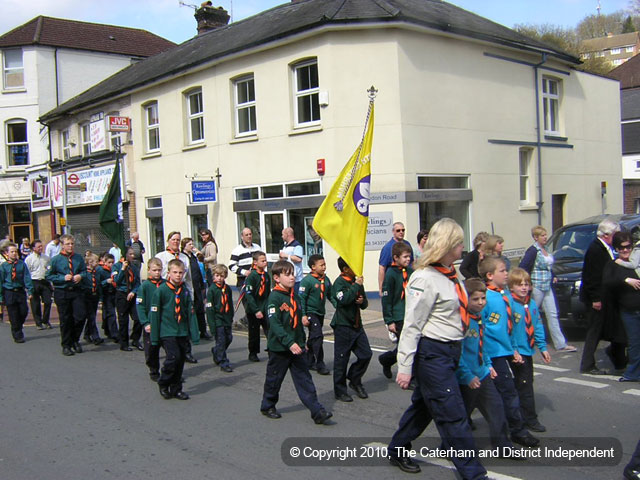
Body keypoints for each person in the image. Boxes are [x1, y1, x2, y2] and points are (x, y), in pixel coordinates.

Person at [388, 218, 487, 478]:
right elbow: (412, 325)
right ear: (446, 245)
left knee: (424, 408)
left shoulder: (452, 275)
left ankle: (397, 448)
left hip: (451, 351)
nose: (463, 249)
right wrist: (405, 367)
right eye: (459, 244)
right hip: (433, 354)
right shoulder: (424, 278)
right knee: (453, 415)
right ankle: (474, 474)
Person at [259, 260, 332, 425]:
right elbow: (275, 324)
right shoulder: (274, 297)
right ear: (277, 278)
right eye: (287, 274)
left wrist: (301, 341)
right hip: (280, 348)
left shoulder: (294, 295)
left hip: (297, 346)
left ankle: (317, 411)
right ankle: (268, 405)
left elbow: (297, 321)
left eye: (293, 273)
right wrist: (289, 342)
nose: (292, 277)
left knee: (304, 379)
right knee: (274, 379)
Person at [478, 255, 539, 448]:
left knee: (503, 393)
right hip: (493, 353)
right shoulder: (485, 298)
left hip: (505, 350)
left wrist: (514, 349)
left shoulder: (504, 295)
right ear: (490, 275)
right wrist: (486, 360)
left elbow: (509, 326)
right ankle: (516, 431)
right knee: (506, 394)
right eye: (502, 270)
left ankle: (512, 431)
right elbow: (483, 331)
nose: (506, 273)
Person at [456, 278, 513, 450]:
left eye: (483, 298)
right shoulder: (462, 321)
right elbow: (458, 353)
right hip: (467, 378)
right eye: (476, 299)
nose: (481, 303)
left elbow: (483, 344)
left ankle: (503, 446)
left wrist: (488, 364)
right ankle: (450, 446)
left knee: (496, 407)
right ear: (466, 299)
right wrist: (467, 376)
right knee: (461, 416)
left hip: (482, 373)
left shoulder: (479, 317)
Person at [519, 225, 576, 353]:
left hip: (547, 286)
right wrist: (527, 283)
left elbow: (549, 267)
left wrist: (553, 276)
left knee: (553, 314)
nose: (545, 237)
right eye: (542, 235)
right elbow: (523, 267)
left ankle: (560, 344)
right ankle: (523, 341)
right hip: (537, 286)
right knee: (532, 313)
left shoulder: (546, 249)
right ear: (535, 237)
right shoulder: (532, 251)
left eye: (545, 235)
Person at [579, 218, 625, 375]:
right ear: (607, 235)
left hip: (608, 297)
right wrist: (595, 299)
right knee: (595, 331)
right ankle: (587, 364)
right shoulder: (595, 249)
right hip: (597, 299)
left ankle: (618, 359)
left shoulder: (606, 248)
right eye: (615, 234)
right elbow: (591, 277)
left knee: (614, 327)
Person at [508, 268, 551, 432]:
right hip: (516, 352)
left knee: (524, 384)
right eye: (519, 285)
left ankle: (519, 414)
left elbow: (537, 325)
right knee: (524, 386)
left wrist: (543, 347)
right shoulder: (510, 304)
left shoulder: (531, 304)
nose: (524, 288)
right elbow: (508, 329)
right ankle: (529, 419)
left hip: (528, 350)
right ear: (511, 287)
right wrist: (514, 350)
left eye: (526, 284)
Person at [150, 259, 200, 400]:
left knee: (180, 360)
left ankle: (176, 388)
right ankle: (164, 382)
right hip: (167, 331)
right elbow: (155, 314)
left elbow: (190, 313)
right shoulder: (161, 291)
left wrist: (194, 333)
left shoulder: (184, 291)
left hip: (182, 330)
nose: (178, 275)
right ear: (169, 273)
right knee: (173, 357)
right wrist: (154, 336)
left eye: (181, 272)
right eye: (175, 272)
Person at [331, 257, 371, 402]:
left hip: (356, 325)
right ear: (345, 269)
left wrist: (362, 302)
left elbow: (365, 303)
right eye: (352, 266)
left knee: (366, 354)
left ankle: (354, 379)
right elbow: (343, 300)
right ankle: (340, 390)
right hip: (343, 325)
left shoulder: (356, 281)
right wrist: (356, 286)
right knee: (341, 360)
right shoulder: (339, 283)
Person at [603, 231, 639, 382]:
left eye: (628, 247)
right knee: (635, 343)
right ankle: (632, 373)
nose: (625, 250)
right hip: (628, 311)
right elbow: (607, 282)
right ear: (616, 249)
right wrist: (626, 280)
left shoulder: (636, 261)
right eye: (621, 248)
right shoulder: (613, 264)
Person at [46, 234, 86, 356]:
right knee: (65, 319)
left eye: (72, 244)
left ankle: (75, 339)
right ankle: (66, 344)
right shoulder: (56, 259)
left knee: (80, 316)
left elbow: (84, 271)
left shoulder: (78, 258)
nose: (70, 246)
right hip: (62, 291)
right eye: (68, 244)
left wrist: (81, 276)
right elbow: (48, 275)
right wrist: (62, 278)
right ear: (62, 245)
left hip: (76, 290)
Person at [379, 242, 413, 380]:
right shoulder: (391, 274)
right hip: (398, 316)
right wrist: (389, 321)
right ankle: (410, 377)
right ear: (396, 257)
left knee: (408, 347)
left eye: (409, 256)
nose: (408, 259)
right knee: (405, 347)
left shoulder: (411, 272)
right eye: (405, 257)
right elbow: (387, 300)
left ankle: (387, 360)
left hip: (410, 314)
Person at [300, 254, 335, 375]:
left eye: (325, 264)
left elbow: (331, 295)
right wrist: (303, 315)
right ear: (313, 267)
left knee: (313, 337)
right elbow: (302, 299)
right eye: (322, 265)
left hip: (320, 313)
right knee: (318, 336)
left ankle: (308, 359)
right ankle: (320, 363)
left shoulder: (326, 280)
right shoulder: (307, 281)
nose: (324, 267)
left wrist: (339, 307)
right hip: (311, 312)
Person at [136, 258, 164, 382]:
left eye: (159, 270)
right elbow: (140, 306)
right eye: (154, 270)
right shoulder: (145, 286)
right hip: (151, 323)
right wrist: (145, 323)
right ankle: (154, 370)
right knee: (152, 349)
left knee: (171, 349)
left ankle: (170, 372)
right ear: (148, 271)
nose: (157, 273)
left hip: (164, 323)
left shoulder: (165, 284)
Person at [0, 243, 33, 343]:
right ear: (7, 253)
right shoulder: (4, 266)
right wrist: (1, 296)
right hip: (9, 292)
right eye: (12, 252)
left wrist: (30, 290)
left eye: (15, 251)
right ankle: (17, 334)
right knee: (13, 314)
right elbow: (1, 281)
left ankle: (18, 325)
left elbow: (26, 277)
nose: (14, 253)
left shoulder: (21, 264)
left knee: (23, 311)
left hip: (20, 291)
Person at [112, 247, 142, 352]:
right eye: (130, 254)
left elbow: (138, 282)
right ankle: (124, 343)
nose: (133, 256)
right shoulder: (116, 266)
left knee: (138, 318)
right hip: (122, 294)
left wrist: (133, 291)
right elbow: (116, 281)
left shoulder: (134, 267)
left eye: (133, 254)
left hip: (132, 295)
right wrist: (122, 269)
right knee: (123, 320)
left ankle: (135, 338)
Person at [206, 264, 234, 372]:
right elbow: (209, 309)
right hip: (217, 319)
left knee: (229, 338)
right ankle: (223, 362)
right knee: (221, 341)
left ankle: (216, 351)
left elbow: (230, 303)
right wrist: (212, 325)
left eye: (222, 276)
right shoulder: (212, 290)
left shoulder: (227, 289)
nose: (219, 278)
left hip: (226, 317)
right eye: (217, 276)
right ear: (213, 276)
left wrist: (231, 317)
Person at [181, 237, 210, 340]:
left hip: (197, 286)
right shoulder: (182, 257)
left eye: (192, 244)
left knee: (200, 310)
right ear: (184, 246)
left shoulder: (193, 257)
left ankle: (203, 331)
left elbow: (199, 270)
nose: (192, 246)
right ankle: (191, 332)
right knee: (190, 310)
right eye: (190, 244)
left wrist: (202, 287)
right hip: (189, 287)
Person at [244, 251, 270, 362]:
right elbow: (249, 295)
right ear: (255, 262)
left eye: (265, 260)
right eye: (262, 261)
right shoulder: (252, 276)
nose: (265, 262)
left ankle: (272, 350)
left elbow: (268, 293)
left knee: (270, 330)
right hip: (254, 310)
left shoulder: (266, 276)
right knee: (254, 332)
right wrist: (256, 310)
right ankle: (253, 352)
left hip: (264, 308)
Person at [378, 222, 413, 295]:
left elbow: (412, 263)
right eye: (398, 230)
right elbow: (382, 267)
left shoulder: (407, 244)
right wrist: (381, 288)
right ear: (393, 232)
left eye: (403, 230)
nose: (401, 232)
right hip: (394, 282)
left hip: (407, 281)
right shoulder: (388, 247)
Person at [25, 240, 53, 330]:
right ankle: (38, 322)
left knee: (48, 301)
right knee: (35, 304)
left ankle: (45, 320)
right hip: (34, 281)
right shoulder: (29, 259)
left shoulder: (46, 258)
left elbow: (49, 269)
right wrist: (28, 287)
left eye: (41, 246)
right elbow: (27, 273)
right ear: (33, 248)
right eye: (38, 247)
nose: (41, 248)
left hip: (44, 281)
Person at [81, 253, 104, 345]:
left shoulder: (97, 272)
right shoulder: (85, 273)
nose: (98, 263)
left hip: (95, 296)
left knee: (92, 316)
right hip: (87, 296)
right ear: (90, 262)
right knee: (90, 316)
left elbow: (99, 284)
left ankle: (87, 334)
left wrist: (101, 298)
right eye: (96, 261)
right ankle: (95, 336)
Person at [98, 253, 118, 342]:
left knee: (108, 313)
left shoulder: (114, 270)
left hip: (113, 293)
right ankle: (114, 333)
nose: (111, 264)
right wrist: (106, 281)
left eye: (112, 262)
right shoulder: (101, 271)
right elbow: (98, 284)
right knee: (110, 313)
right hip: (105, 294)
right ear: (104, 262)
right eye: (109, 262)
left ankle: (108, 330)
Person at [279, 227, 304, 294]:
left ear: (287, 234)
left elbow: (299, 259)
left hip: (296, 280)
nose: (282, 236)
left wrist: (286, 256)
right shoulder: (285, 246)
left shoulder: (297, 246)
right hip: (287, 277)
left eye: (283, 234)